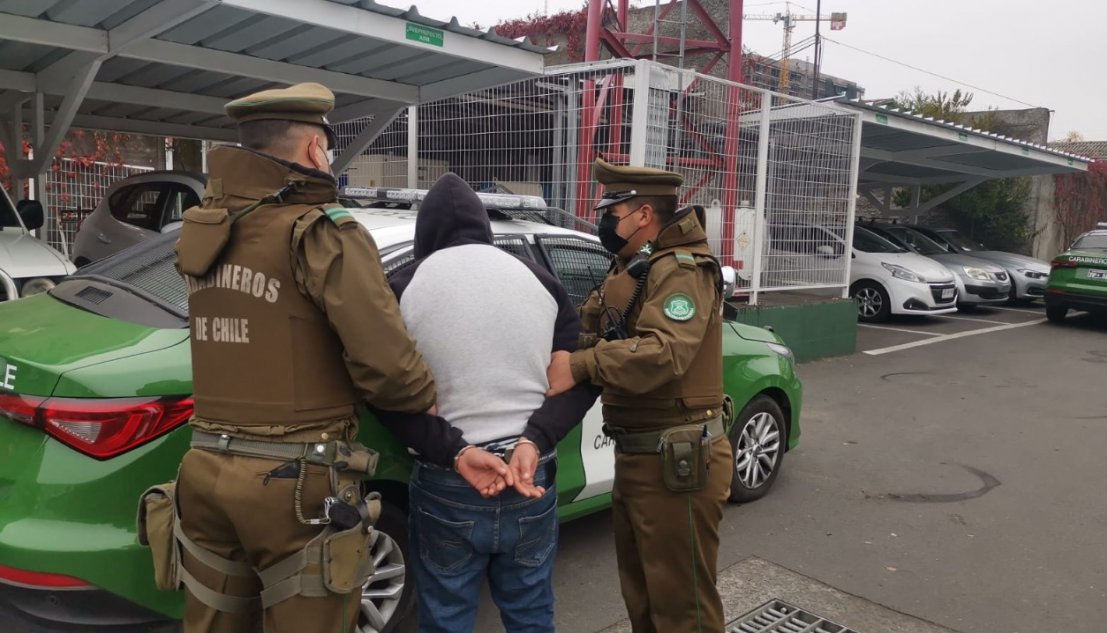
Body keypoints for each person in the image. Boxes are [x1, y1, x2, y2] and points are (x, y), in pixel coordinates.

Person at [170, 82, 436, 633]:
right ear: (317, 150)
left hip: (203, 467)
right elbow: (388, 368)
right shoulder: (322, 232)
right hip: (294, 481)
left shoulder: (208, 230)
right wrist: (423, 401)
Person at [373, 172, 595, 633]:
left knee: (447, 615)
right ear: (485, 228)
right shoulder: (542, 280)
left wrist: (452, 450)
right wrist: (533, 441)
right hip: (530, 475)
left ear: (423, 234)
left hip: (449, 482)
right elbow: (575, 379)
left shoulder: (398, 288)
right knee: (531, 611)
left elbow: (384, 392)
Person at [546, 158, 734, 633]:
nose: (603, 219)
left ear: (644, 214)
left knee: (682, 605)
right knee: (643, 594)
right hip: (640, 453)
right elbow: (587, 328)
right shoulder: (630, 266)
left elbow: (665, 352)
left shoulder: (682, 270)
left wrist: (581, 365)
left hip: (677, 460)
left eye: (612, 210)